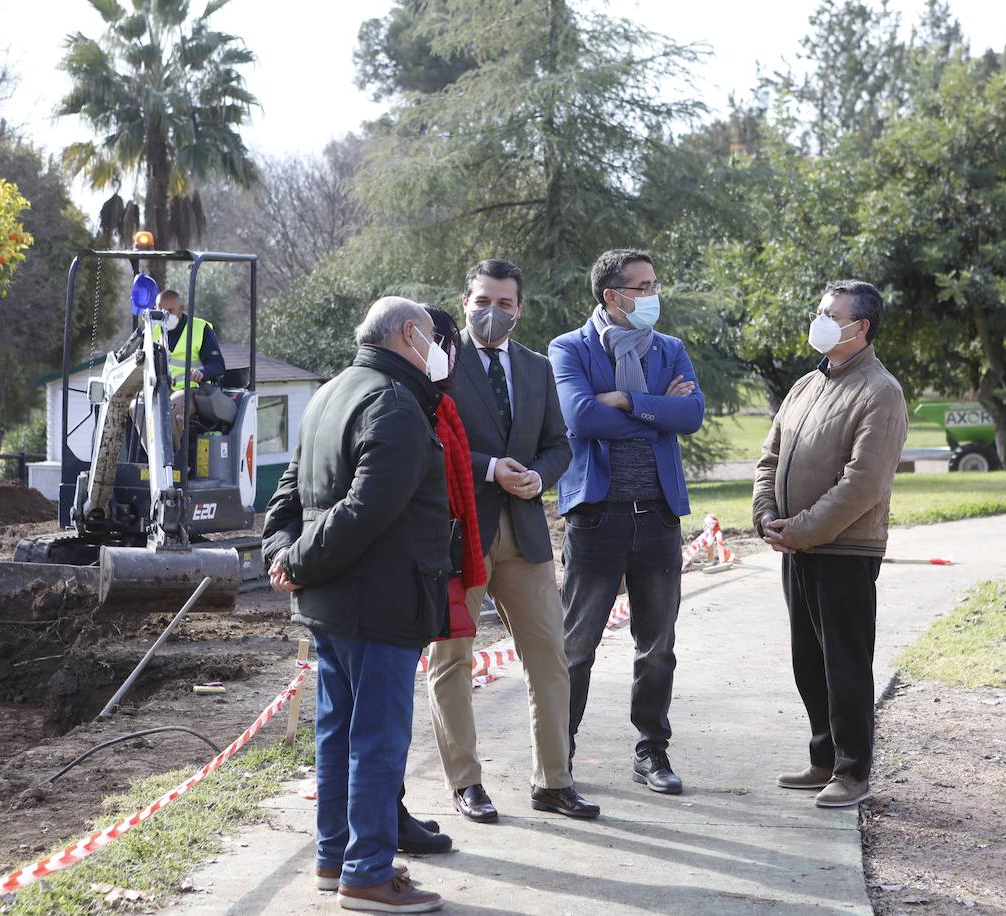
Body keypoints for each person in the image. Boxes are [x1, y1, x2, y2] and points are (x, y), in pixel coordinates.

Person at [263, 296, 448, 913]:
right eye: (430, 335)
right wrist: (296, 560)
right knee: (376, 738)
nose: (438, 351)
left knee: (337, 732)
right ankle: (367, 873)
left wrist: (288, 553)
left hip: (333, 603)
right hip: (380, 600)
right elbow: (365, 511)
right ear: (405, 335)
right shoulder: (392, 404)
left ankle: (334, 856)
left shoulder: (332, 391)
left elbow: (285, 496)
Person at [426, 260, 599, 823]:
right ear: (465, 299)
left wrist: (539, 476)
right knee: (452, 659)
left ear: (519, 309)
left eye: (504, 303)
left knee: (551, 656)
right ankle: (466, 782)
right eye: (482, 301)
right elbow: (430, 440)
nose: (492, 312)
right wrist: (489, 468)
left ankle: (553, 781)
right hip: (458, 534)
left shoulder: (537, 368)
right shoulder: (440, 367)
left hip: (524, 535)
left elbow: (559, 443)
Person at [548, 249, 704, 795]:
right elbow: (580, 419)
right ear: (612, 295)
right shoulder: (568, 348)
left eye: (655, 283)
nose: (653, 294)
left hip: (658, 518)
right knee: (576, 646)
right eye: (643, 286)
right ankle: (557, 753)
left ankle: (652, 751)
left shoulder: (670, 350)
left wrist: (627, 401)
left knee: (657, 644)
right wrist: (654, 408)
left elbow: (691, 415)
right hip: (596, 518)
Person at [753, 280, 907, 809]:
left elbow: (864, 483)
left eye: (829, 314)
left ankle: (852, 770)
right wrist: (767, 516)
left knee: (844, 661)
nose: (819, 320)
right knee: (808, 660)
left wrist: (804, 529)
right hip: (797, 547)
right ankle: (823, 758)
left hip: (845, 549)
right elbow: (768, 458)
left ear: (859, 327)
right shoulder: (805, 386)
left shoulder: (880, 391)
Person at [155, 288, 225, 452]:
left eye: (170, 310)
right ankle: (152, 457)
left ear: (182, 308)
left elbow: (218, 365)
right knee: (135, 406)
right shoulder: (152, 329)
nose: (165, 314)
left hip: (191, 391)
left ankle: (172, 462)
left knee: (171, 408)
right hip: (159, 390)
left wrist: (202, 372)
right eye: (160, 310)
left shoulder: (200, 329)